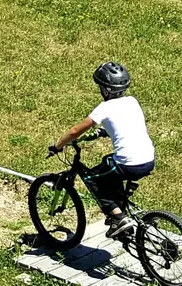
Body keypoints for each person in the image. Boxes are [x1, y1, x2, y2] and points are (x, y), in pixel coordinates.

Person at [50, 62, 155, 236]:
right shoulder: (132, 101)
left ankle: (118, 217)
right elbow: (126, 124)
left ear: (105, 90)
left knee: (93, 178)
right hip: (148, 159)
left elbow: (75, 131)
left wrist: (58, 145)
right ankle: (121, 208)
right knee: (108, 164)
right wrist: (104, 132)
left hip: (129, 164)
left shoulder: (104, 108)